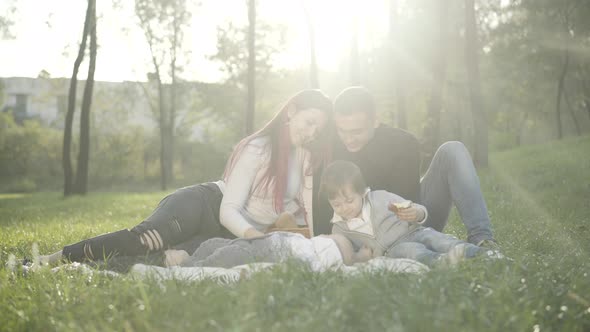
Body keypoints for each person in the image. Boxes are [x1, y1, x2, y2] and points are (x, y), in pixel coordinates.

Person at [37, 89, 333, 267]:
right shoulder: (258, 148)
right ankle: (49, 260)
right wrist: (254, 238)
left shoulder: (306, 157)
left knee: (164, 261)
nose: (311, 133)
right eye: (309, 122)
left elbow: (305, 211)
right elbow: (228, 210)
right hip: (203, 205)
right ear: (291, 111)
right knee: (145, 241)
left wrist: (319, 245)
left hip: (225, 236)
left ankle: (76, 270)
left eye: (318, 129)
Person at [313, 86, 497, 248]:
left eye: (357, 131)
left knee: (452, 150)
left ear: (375, 121)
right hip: (361, 233)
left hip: (411, 221)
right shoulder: (331, 149)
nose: (348, 139)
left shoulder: (403, 143)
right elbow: (327, 203)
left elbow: (406, 201)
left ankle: (482, 238)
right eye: (341, 131)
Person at [319, 160, 488, 267]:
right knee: (413, 251)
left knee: (439, 239)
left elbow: (414, 208)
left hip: (414, 231)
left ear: (362, 192)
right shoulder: (339, 230)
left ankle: (482, 254)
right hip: (394, 249)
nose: (344, 208)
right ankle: (442, 262)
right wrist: (359, 257)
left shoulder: (380, 198)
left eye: (349, 201)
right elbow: (349, 255)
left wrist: (417, 213)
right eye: (337, 204)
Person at [168, 231, 372, 271]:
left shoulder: (318, 261)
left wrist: (359, 257)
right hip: (268, 241)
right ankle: (192, 257)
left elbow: (353, 261)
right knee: (215, 243)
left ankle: (189, 265)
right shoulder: (312, 243)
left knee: (230, 255)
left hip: (272, 253)